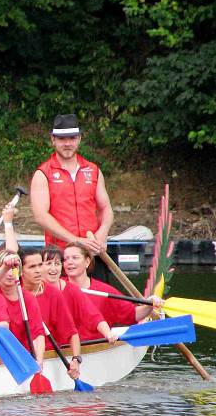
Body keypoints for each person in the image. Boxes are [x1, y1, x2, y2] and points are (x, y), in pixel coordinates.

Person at [30, 114, 114, 254]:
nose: (67, 143)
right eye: (62, 139)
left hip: (92, 252)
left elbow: (106, 208)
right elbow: (40, 216)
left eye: (72, 138)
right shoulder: (43, 173)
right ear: (53, 140)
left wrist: (102, 234)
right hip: (60, 254)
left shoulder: (93, 170)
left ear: (79, 139)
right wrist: (74, 240)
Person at [18, 248, 82, 379]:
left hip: (47, 355)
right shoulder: (14, 293)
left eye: (40, 265)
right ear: (20, 270)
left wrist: (76, 359)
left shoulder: (54, 294)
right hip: (18, 356)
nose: (38, 271)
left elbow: (71, 332)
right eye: (32, 267)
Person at [62, 242, 161, 327]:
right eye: (66, 259)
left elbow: (132, 314)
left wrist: (149, 305)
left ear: (87, 262)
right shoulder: (53, 288)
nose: (69, 262)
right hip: (62, 347)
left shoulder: (104, 291)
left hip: (97, 346)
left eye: (75, 258)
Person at [41, 245, 117, 344]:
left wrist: (108, 333)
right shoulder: (28, 290)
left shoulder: (72, 290)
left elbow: (94, 316)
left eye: (57, 264)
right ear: (39, 266)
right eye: (48, 264)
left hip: (64, 347)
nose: (53, 268)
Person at [0, 250, 46, 368]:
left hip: (21, 358)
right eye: (6, 270)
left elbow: (37, 334)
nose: (10, 274)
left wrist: (39, 360)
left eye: (14, 269)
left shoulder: (28, 299)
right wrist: (4, 267)